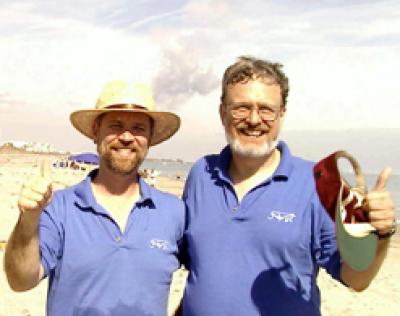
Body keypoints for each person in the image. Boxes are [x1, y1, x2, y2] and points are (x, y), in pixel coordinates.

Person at [180, 56, 396, 315]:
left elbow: (356, 279)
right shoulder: (201, 174)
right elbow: (202, 270)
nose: (253, 119)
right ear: (222, 112)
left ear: (281, 114)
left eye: (266, 109)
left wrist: (381, 234)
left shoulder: (319, 184)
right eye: (241, 107)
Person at [4, 81, 184, 316]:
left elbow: (205, 278)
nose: (127, 137)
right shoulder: (58, 207)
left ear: (149, 139)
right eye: (115, 125)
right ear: (96, 132)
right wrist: (28, 219)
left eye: (139, 128)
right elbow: (20, 281)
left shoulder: (174, 212)